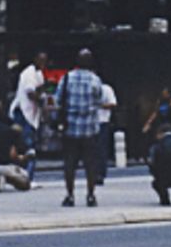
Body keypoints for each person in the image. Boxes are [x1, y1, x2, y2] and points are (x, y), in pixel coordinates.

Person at [57, 47, 108, 204]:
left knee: (70, 163)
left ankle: (70, 195)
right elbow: (100, 99)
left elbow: (59, 99)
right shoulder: (95, 80)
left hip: (70, 126)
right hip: (90, 127)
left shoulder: (66, 78)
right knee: (90, 164)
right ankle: (90, 195)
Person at [10, 53, 48, 183]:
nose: (43, 64)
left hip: (32, 114)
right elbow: (30, 93)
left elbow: (41, 89)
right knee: (26, 145)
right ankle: (26, 177)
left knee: (30, 145)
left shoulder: (39, 74)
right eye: (41, 60)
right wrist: (42, 103)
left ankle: (26, 175)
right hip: (23, 112)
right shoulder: (29, 73)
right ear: (35, 60)